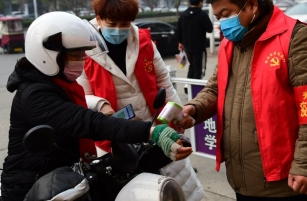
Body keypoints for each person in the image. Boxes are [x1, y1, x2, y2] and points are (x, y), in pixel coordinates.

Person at [0, 12, 191, 201]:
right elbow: (88, 122)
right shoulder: (35, 94)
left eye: (83, 54)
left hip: (65, 178)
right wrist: (151, 131)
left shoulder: (61, 83)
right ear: (47, 55)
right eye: (75, 55)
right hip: (32, 187)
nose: (81, 60)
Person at [176, 0, 307, 200]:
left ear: (251, 5)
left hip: (283, 181)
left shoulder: (295, 37)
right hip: (241, 178)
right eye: (218, 17)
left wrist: (306, 165)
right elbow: (215, 89)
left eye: (226, 14)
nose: (222, 23)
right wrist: (194, 108)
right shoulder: (230, 44)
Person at [76, 0, 204, 201]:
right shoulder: (84, 51)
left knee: (177, 192)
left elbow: (164, 82)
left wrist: (178, 115)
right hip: (115, 136)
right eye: (112, 23)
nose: (118, 30)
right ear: (98, 19)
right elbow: (81, 96)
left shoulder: (143, 41)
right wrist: (101, 105)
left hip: (156, 127)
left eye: (125, 23)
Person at [177, 0, 213, 79]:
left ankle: (189, 88)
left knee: (192, 66)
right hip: (199, 47)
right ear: (200, 2)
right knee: (199, 69)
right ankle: (196, 90)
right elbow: (210, 29)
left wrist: (180, 42)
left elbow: (178, 30)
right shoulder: (202, 15)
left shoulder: (183, 15)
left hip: (187, 47)